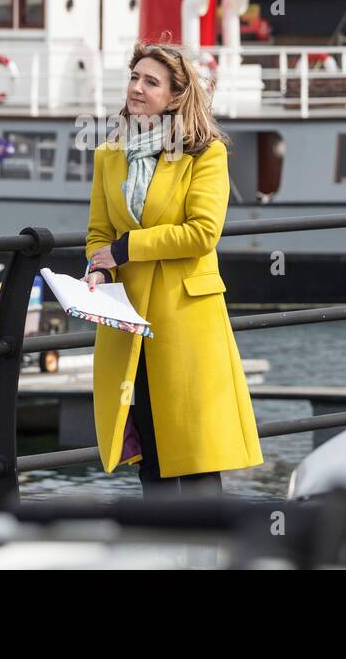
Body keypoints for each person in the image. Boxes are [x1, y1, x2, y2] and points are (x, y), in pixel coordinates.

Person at [84, 40, 263, 499]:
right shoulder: (109, 155)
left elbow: (202, 233)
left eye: (151, 81)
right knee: (153, 459)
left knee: (198, 462)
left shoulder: (205, 154)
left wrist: (127, 249)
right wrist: (99, 270)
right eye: (134, 77)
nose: (137, 89)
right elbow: (98, 233)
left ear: (176, 95)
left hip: (186, 320)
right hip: (130, 323)